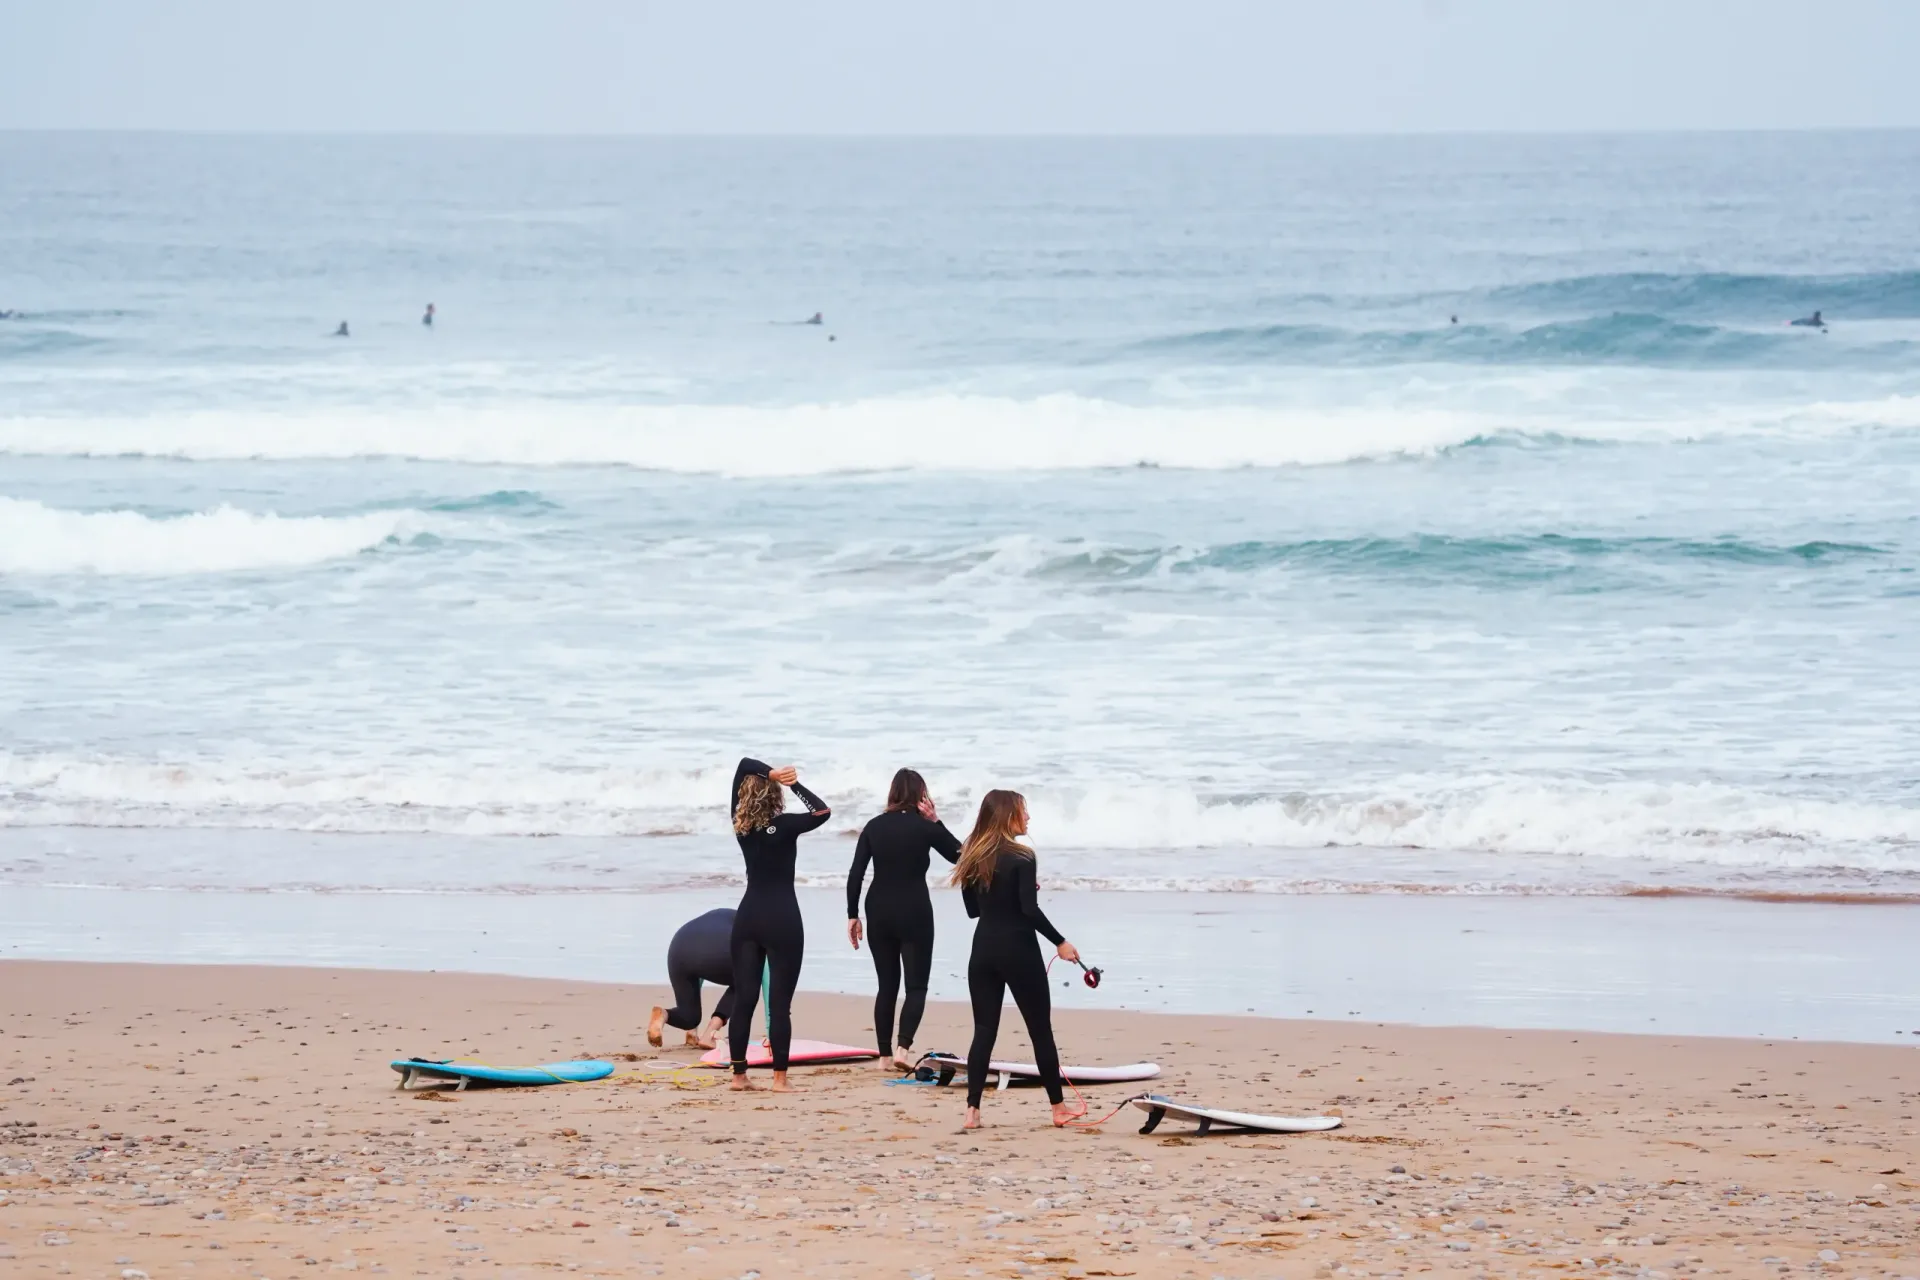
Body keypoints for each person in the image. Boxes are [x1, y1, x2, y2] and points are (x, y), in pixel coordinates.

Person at [951, 789, 1085, 1130]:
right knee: (1040, 1031)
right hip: (1019, 950)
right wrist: (1061, 942)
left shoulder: (971, 856)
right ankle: (1057, 1108)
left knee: (983, 1031)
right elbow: (1028, 910)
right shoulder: (1023, 856)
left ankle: (972, 1112)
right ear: (1008, 816)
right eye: (1023, 812)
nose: (1028, 818)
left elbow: (972, 911)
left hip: (982, 950)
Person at [726, 757, 831, 1092]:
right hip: (782, 918)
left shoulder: (740, 827)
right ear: (775, 796)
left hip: (747, 917)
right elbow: (822, 812)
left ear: (744, 797)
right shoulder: (785, 825)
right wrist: (793, 783)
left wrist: (768, 773)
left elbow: (743, 765)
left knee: (744, 999)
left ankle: (739, 1077)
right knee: (779, 1006)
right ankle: (779, 1079)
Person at [847, 769, 962, 1071]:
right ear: (921, 795)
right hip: (914, 910)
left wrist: (852, 914)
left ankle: (884, 1057)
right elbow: (961, 855)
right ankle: (902, 1048)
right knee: (916, 987)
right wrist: (937, 821)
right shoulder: (925, 827)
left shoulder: (873, 826)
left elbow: (856, 873)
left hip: (879, 909)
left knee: (887, 985)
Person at [647, 906, 737, 1049]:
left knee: (689, 1017)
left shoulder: (724, 917)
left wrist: (692, 1031)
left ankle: (663, 1015)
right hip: (716, 951)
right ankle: (709, 1034)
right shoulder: (758, 927)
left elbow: (703, 944)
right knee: (747, 981)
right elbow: (767, 979)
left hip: (679, 947)